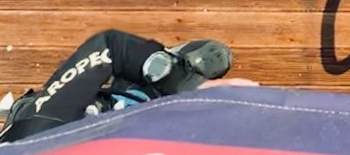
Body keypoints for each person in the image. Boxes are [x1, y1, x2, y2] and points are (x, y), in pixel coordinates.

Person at [0, 32, 235, 143]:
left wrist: (189, 84)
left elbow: (108, 48)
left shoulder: (40, 130)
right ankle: (149, 88)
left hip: (43, 131)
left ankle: (148, 85)